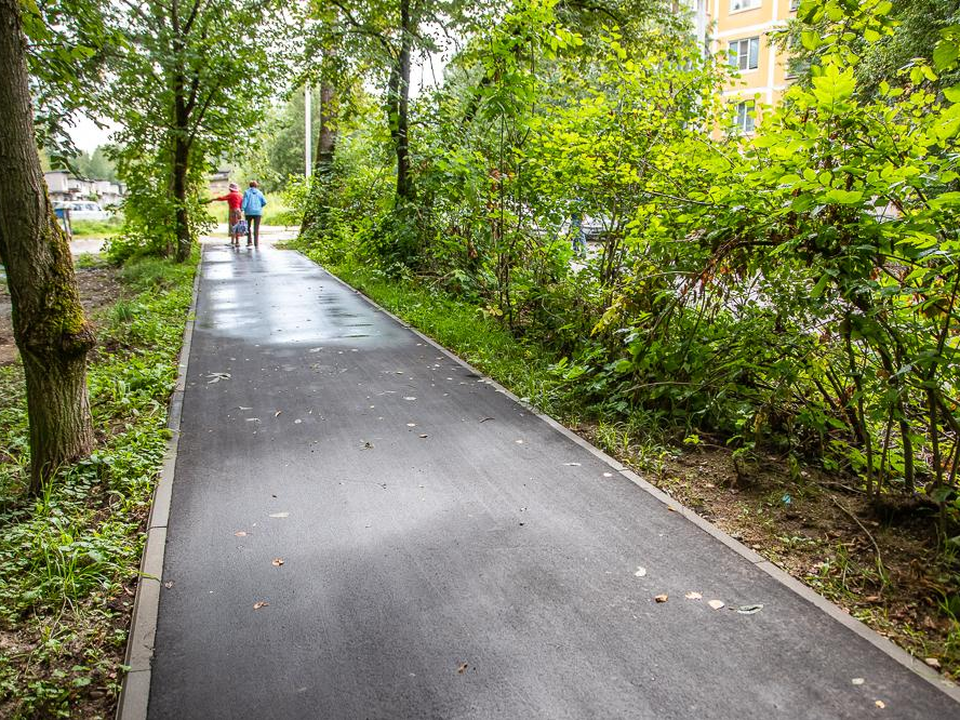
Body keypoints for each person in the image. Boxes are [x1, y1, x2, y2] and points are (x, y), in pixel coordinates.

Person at [241, 181, 267, 248]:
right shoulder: (260, 193)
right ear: (256, 186)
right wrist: (259, 206)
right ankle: (256, 243)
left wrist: (242, 209)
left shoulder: (246, 192)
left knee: (248, 227)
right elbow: (264, 202)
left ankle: (249, 242)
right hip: (258, 213)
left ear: (250, 186)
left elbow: (245, 202)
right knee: (256, 228)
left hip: (248, 212)